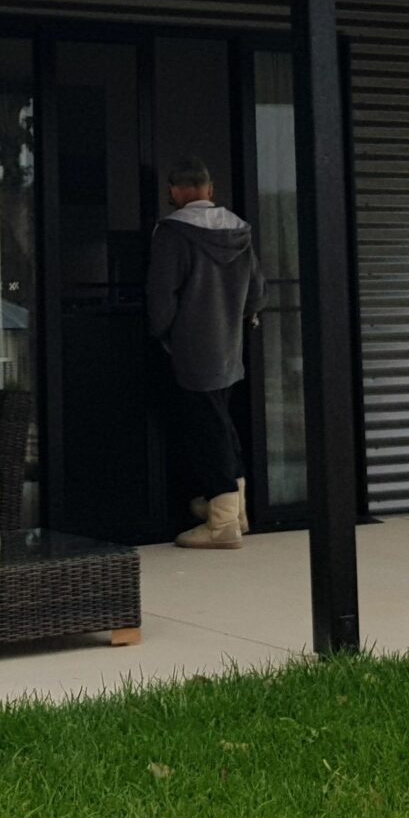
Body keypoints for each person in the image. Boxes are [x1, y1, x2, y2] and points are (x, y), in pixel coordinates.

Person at [146, 155, 265, 549]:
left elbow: (161, 297)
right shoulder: (240, 231)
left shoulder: (172, 233)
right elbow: (257, 293)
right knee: (221, 424)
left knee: (207, 430)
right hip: (229, 346)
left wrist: (161, 334)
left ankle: (222, 524)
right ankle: (236, 511)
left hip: (191, 348)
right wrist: (239, 319)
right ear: (210, 190)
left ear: (176, 192)